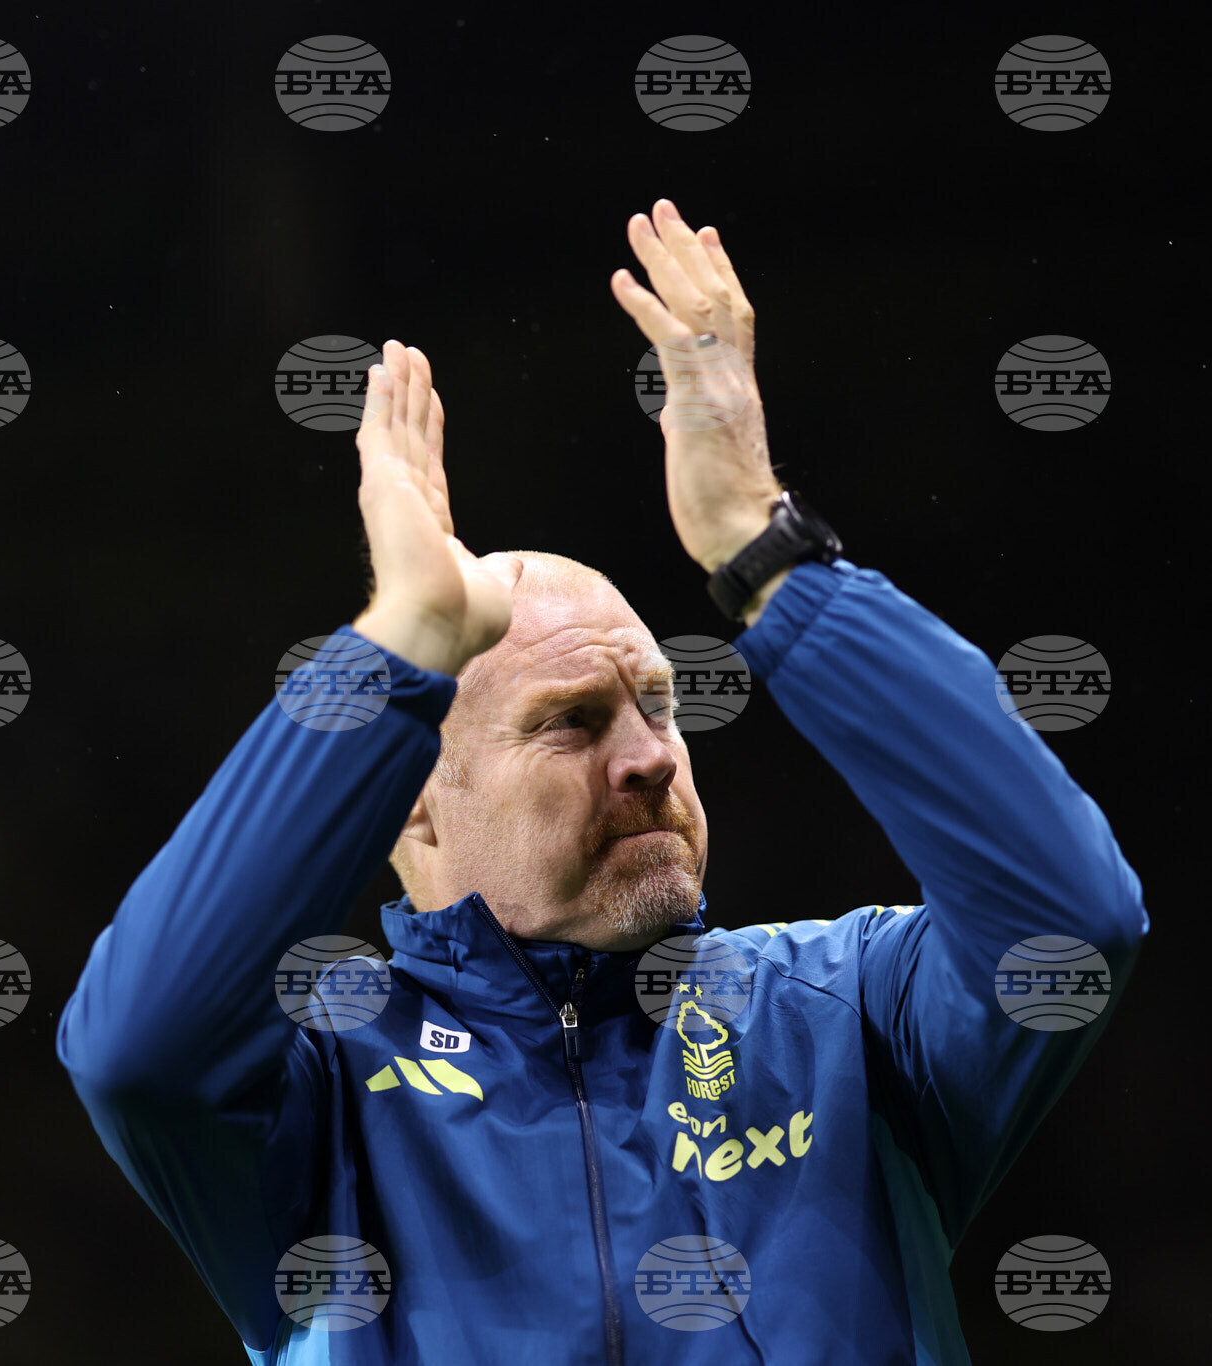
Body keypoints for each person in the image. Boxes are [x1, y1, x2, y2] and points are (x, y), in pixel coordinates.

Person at [57, 197, 1150, 1365]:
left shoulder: (846, 1017)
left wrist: (768, 554)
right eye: (570, 723)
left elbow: (1069, 923)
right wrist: (399, 646)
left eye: (658, 706)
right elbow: (138, 1052)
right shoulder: (325, 1095)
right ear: (411, 798)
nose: (651, 755)